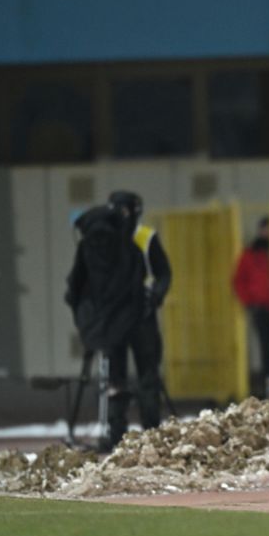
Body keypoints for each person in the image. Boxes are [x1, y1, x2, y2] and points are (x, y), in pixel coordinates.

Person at [106, 191, 171, 449]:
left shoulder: (146, 237)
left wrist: (155, 295)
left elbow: (164, 273)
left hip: (142, 315)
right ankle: (117, 435)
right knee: (115, 377)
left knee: (148, 374)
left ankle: (151, 431)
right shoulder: (104, 238)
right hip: (115, 317)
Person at [234, 216, 269, 384]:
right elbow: (238, 281)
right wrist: (249, 301)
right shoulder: (250, 255)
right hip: (261, 308)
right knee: (266, 347)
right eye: (266, 229)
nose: (268, 233)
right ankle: (268, 381)